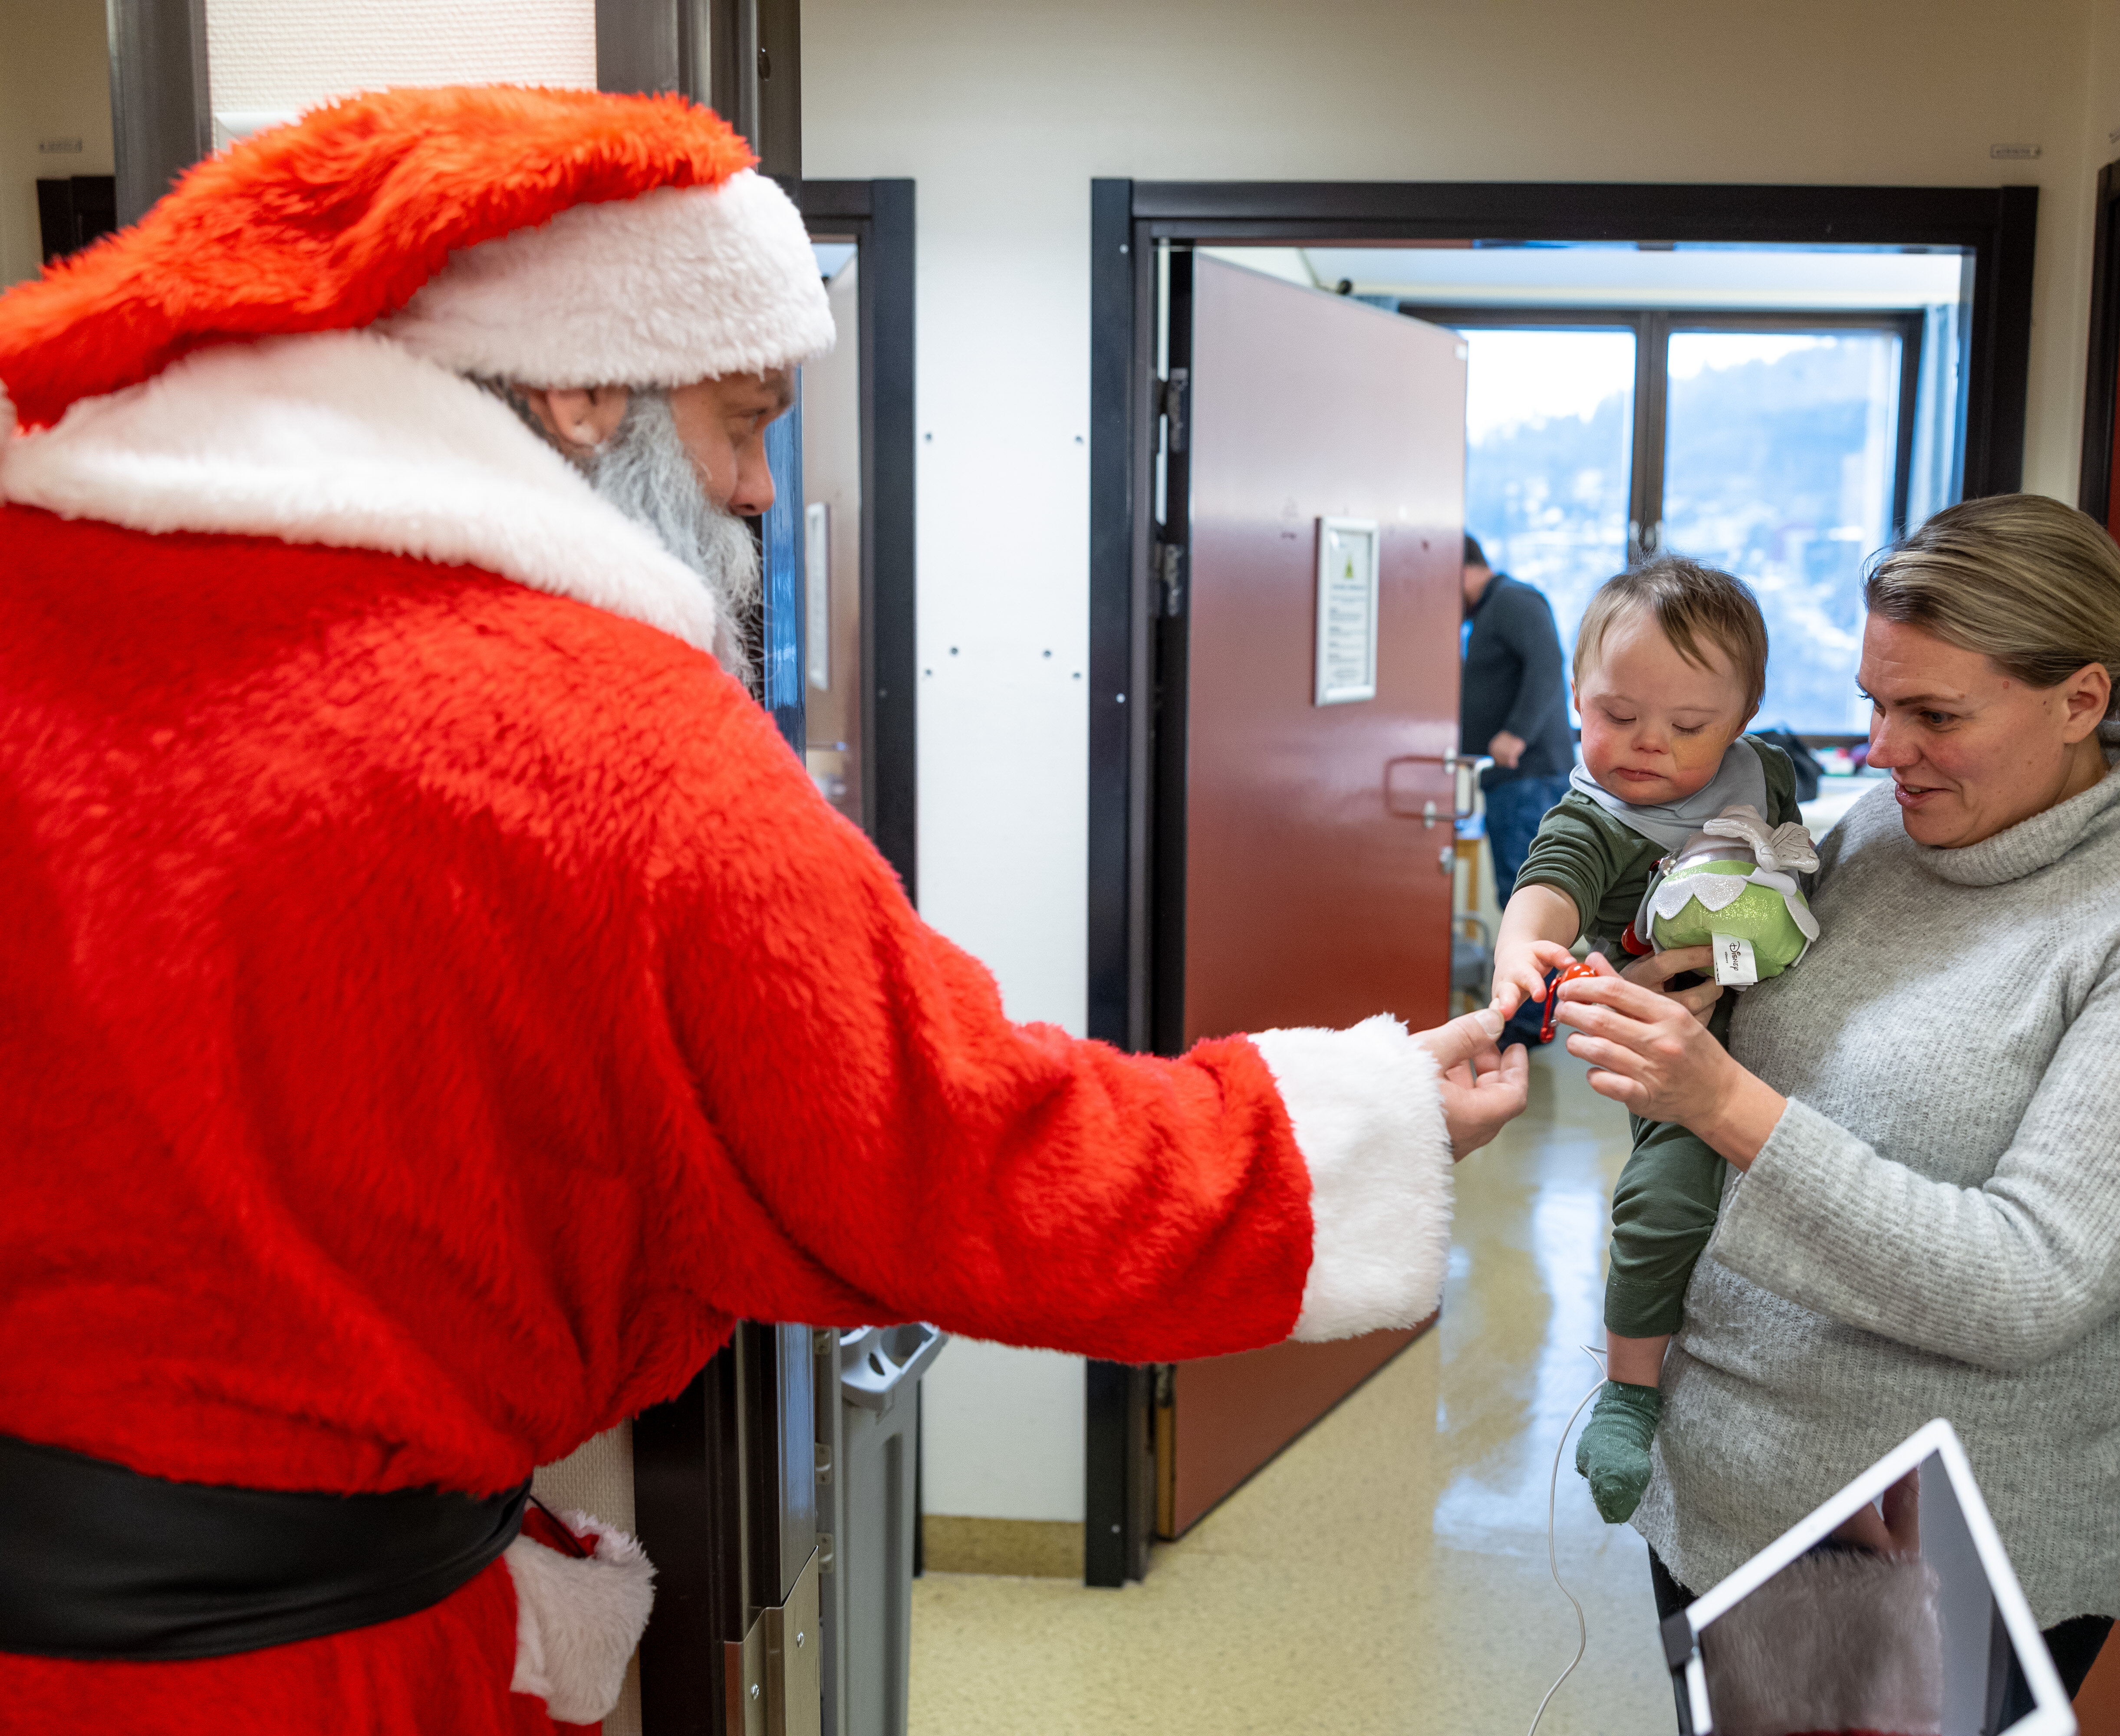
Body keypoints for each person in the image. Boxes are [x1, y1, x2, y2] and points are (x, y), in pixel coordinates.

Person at [0, 88, 1527, 1733]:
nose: (751, 497)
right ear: (584, 387)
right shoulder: (601, 733)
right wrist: (1362, 1117)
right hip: (291, 1680)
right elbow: (964, 1151)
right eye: (742, 422)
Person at [1542, 495, 2120, 1700]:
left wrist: (1721, 1100)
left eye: (1934, 714)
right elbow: (1746, 1050)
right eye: (1875, 705)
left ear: (2082, 701)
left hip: (1936, 1546)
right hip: (1723, 1497)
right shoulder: (1876, 838)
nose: (1883, 752)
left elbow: (2030, 1282)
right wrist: (1663, 1003)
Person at [1484, 558, 1807, 1526]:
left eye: (1689, 726)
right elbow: (1548, 886)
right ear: (1577, 696)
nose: (1648, 746)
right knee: (1659, 1207)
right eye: (1617, 714)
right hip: (1687, 1065)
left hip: (1798, 1043)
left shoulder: (1769, 777)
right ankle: (1628, 1390)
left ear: (1744, 717)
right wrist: (1519, 950)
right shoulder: (1601, 817)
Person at [1458, 533, 1574, 909]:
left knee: (1529, 902)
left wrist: (1515, 734)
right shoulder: (1488, 612)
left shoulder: (1512, 599)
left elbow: (1546, 662)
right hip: (1512, 783)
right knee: (1517, 897)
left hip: (1529, 780)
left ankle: (1541, 972)